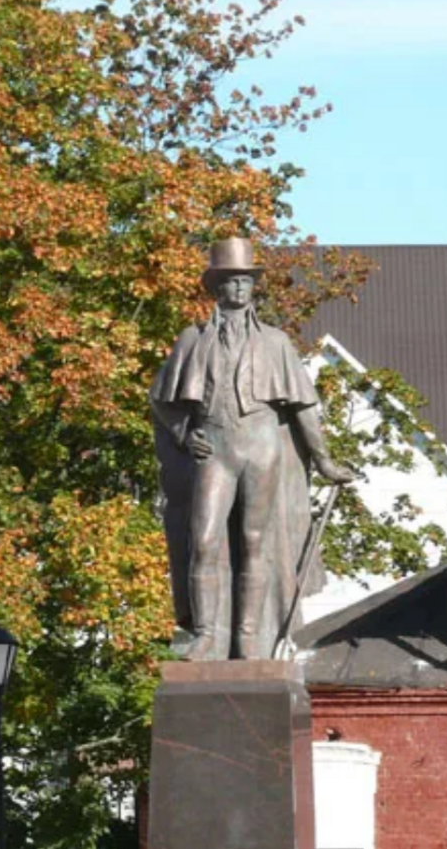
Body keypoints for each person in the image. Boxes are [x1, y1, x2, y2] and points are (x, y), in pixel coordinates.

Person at [150, 237, 356, 661]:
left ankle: (247, 638)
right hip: (216, 449)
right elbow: (161, 400)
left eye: (245, 280)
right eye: (230, 281)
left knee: (254, 540)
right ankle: (206, 634)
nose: (239, 289)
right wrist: (185, 435)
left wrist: (324, 460)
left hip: (261, 447)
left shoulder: (275, 342)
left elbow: (303, 408)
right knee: (203, 539)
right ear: (216, 288)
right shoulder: (193, 338)